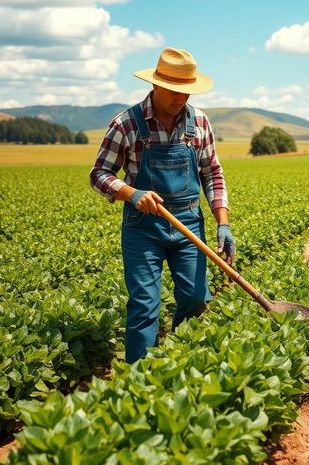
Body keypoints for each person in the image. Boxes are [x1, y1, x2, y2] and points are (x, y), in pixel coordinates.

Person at [90, 47, 235, 363]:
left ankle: (180, 366)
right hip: (143, 229)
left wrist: (222, 221)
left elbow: (212, 172)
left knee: (196, 299)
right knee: (144, 304)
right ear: (155, 85)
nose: (181, 98)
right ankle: (139, 382)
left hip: (189, 224)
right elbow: (98, 174)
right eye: (174, 90)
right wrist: (131, 193)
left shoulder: (199, 122)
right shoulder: (127, 124)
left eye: (187, 91)